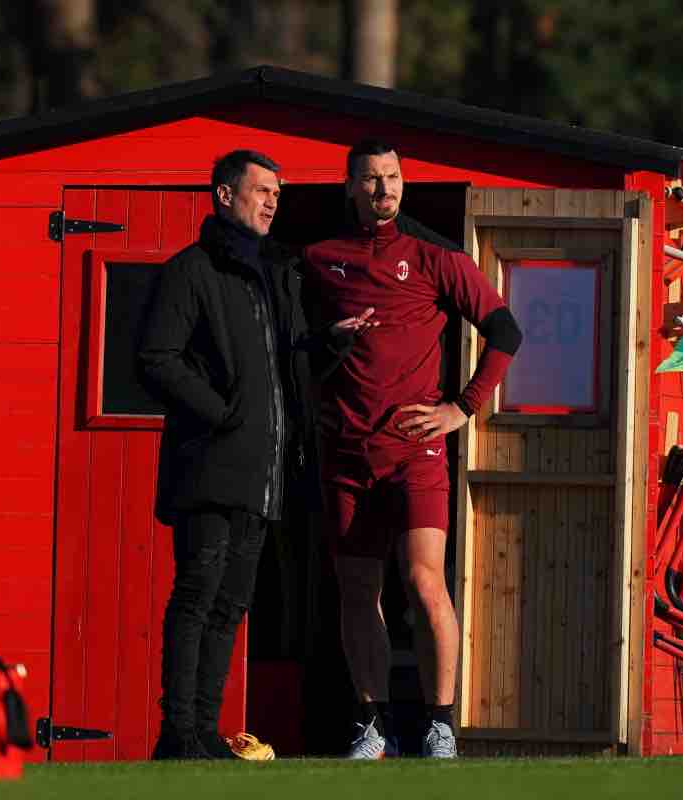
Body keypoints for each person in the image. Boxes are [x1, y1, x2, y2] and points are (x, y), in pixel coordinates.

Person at [137, 150, 374, 760]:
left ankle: (203, 735)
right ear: (223, 195)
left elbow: (288, 369)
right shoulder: (191, 272)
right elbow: (155, 360)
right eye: (262, 189)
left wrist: (331, 345)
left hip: (265, 475)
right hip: (208, 468)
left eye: (278, 192)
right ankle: (177, 736)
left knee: (230, 608)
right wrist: (222, 415)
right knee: (196, 596)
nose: (273, 201)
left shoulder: (276, 275)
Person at [302, 139, 522, 759]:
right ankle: (370, 726)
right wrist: (325, 343)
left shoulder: (435, 256)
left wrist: (463, 407)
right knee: (356, 592)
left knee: (426, 581)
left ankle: (440, 723)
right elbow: (295, 346)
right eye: (371, 179)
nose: (383, 190)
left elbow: (506, 330)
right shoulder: (319, 259)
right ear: (349, 186)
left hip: (415, 449)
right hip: (345, 451)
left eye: (393, 178)